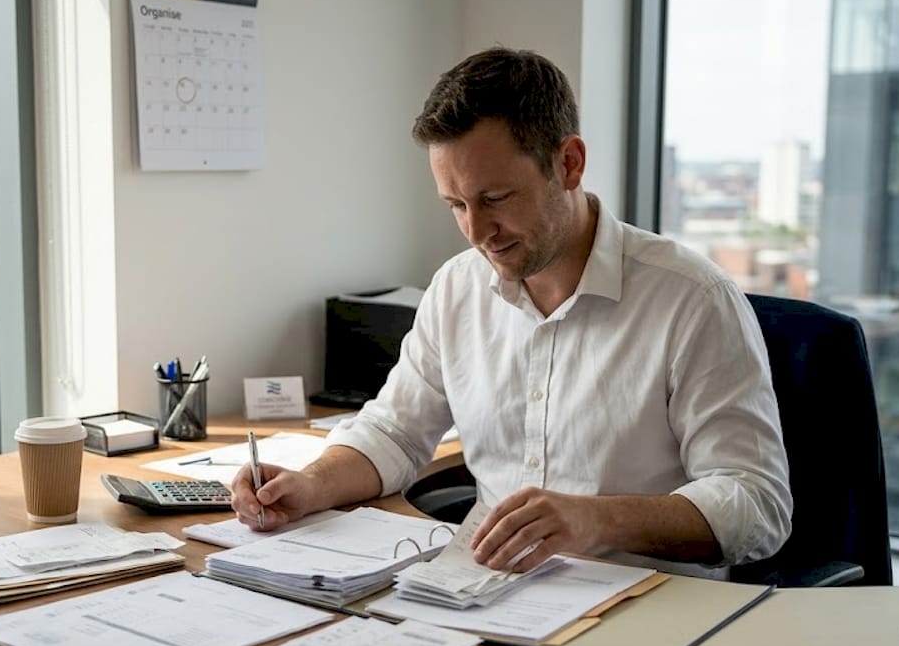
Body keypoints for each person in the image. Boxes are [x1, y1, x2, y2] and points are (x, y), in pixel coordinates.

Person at [231, 47, 792, 577]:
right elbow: (395, 432)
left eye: (495, 199)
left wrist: (594, 519)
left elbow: (757, 503)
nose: (477, 232)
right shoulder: (457, 287)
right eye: (456, 205)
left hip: (642, 605)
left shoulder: (693, 299)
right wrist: (311, 484)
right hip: (484, 592)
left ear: (569, 164)